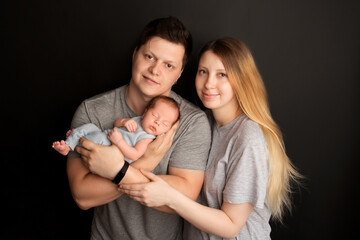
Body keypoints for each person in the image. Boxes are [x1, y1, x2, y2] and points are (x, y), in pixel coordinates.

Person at [119, 38, 303, 239]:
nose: (209, 84)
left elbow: (230, 226)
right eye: (203, 72)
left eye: (222, 74)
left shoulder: (248, 137)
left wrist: (170, 197)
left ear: (241, 80)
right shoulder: (202, 123)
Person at [66, 16, 211, 239]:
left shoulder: (191, 121)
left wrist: (116, 171)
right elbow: (82, 196)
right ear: (135, 54)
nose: (155, 70)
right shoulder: (92, 111)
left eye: (168, 65)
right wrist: (147, 162)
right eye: (149, 56)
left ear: (179, 73)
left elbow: (184, 198)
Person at [52, 95, 180, 165]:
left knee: (95, 137)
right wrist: (124, 121)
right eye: (155, 115)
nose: (157, 122)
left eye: (164, 124)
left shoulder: (147, 138)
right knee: (91, 126)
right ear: (146, 111)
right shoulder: (137, 119)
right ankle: (70, 143)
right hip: (106, 135)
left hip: (112, 150)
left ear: (166, 131)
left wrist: (119, 142)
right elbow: (116, 123)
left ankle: (76, 140)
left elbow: (134, 154)